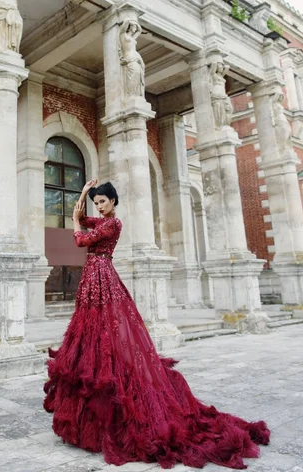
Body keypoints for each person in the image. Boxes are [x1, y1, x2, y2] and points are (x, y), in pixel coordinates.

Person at [44, 180, 270, 469]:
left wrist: (77, 222)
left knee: (110, 336)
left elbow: (80, 239)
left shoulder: (113, 224)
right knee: (91, 336)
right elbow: (82, 218)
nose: (99, 206)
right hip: (93, 280)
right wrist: (83, 195)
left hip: (103, 277)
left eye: (103, 201)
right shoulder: (100, 220)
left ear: (113, 202)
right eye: (97, 202)